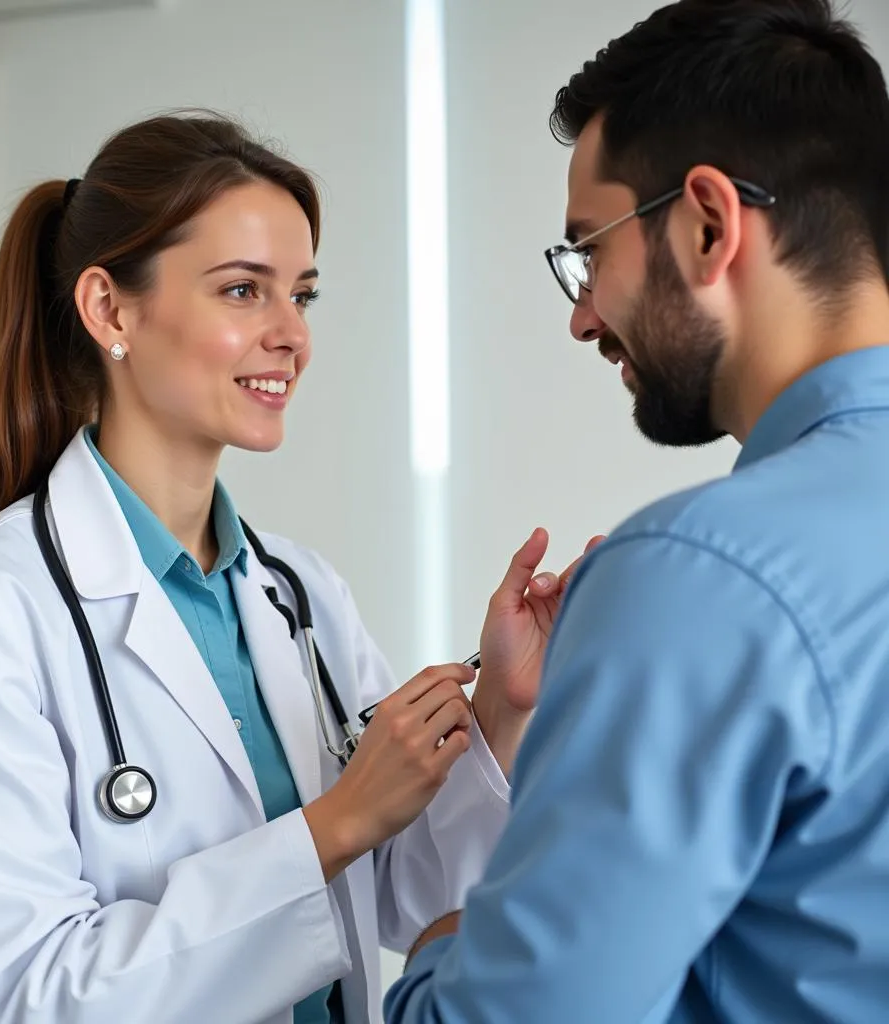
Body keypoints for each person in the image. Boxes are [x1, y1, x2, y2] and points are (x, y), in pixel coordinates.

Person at [0, 113, 589, 1024]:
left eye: (304, 294)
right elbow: (24, 999)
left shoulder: (301, 592)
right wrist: (334, 825)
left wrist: (498, 713)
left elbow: (413, 901)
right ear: (110, 310)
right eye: (244, 291)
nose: (293, 334)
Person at [383, 1, 889, 1021]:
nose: (580, 315)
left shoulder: (699, 573)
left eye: (588, 249)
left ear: (707, 223)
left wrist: (444, 949)